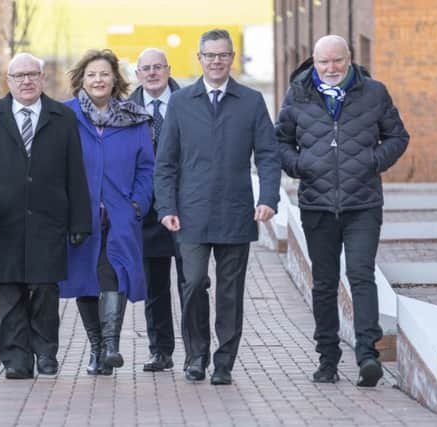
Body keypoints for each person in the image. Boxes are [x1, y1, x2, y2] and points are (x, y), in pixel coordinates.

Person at [275, 35, 409, 387]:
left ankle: (368, 355)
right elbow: (280, 141)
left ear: (349, 59)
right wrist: (299, 165)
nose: (331, 68)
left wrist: (372, 161)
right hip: (317, 204)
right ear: (314, 62)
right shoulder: (298, 94)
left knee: (361, 274)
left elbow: (398, 137)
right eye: (324, 62)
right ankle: (327, 359)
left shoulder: (374, 92)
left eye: (338, 60)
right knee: (324, 283)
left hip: (363, 202)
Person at [154, 29, 281, 385]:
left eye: (222, 55)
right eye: (209, 55)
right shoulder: (181, 103)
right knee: (192, 283)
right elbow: (165, 162)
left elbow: (269, 156)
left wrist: (268, 198)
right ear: (199, 59)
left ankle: (224, 362)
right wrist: (166, 206)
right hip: (190, 213)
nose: (215, 61)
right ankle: (196, 355)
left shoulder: (252, 101)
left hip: (236, 212)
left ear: (232, 57)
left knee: (230, 293)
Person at [0, 53, 92, 379]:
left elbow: (75, 173)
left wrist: (80, 222)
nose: (26, 81)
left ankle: (46, 352)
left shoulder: (62, 117)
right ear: (8, 81)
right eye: (19, 75)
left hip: (48, 221)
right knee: (10, 295)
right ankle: (16, 359)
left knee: (45, 292)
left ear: (42, 78)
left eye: (32, 74)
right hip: (3, 224)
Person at [58, 49, 154, 376]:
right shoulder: (65, 116)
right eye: (91, 75)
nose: (98, 80)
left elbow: (147, 167)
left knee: (115, 273)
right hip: (79, 214)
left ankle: (111, 346)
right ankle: (97, 350)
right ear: (81, 80)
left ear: (115, 79)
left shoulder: (134, 119)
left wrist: (138, 202)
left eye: (104, 74)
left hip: (120, 214)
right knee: (85, 279)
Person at [128, 48, 184, 372]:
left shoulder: (189, 103)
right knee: (155, 288)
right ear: (137, 73)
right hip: (147, 214)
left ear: (168, 69)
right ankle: (160, 350)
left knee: (191, 285)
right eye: (145, 68)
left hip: (184, 209)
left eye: (158, 67)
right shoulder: (126, 111)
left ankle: (196, 352)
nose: (152, 73)